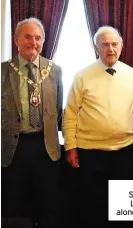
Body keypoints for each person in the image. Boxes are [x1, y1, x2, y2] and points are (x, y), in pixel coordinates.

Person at [62, 26, 133, 228]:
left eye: (115, 44)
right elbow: (70, 113)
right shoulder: (82, 76)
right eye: (105, 44)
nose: (110, 49)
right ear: (96, 47)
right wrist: (71, 146)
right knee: (93, 208)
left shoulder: (132, 75)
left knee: (124, 210)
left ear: (121, 46)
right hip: (91, 153)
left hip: (125, 151)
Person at [1, 17, 63, 227]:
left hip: (45, 146)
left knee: (47, 203)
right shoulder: (3, 71)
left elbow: (57, 109)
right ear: (16, 39)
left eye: (38, 38)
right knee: (14, 202)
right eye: (27, 37)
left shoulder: (54, 70)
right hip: (12, 147)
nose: (33, 42)